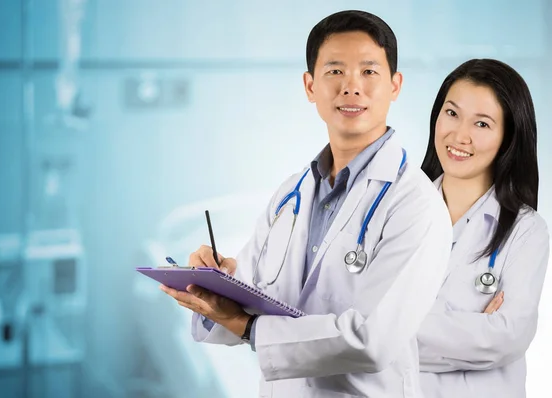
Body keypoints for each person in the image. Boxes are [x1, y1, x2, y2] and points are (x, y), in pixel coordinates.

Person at [161, 10, 452, 397]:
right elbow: (254, 296)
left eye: (369, 72)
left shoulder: (416, 203)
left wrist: (248, 327)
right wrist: (220, 285)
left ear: (395, 85)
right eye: (335, 72)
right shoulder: (289, 196)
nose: (351, 87)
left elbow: (373, 339)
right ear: (310, 85)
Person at [417, 58, 550, 398]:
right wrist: (474, 328)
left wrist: (392, 332)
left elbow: (507, 338)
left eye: (482, 123)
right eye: (451, 113)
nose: (460, 135)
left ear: (508, 137)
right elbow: (354, 317)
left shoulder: (526, 231)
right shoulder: (395, 214)